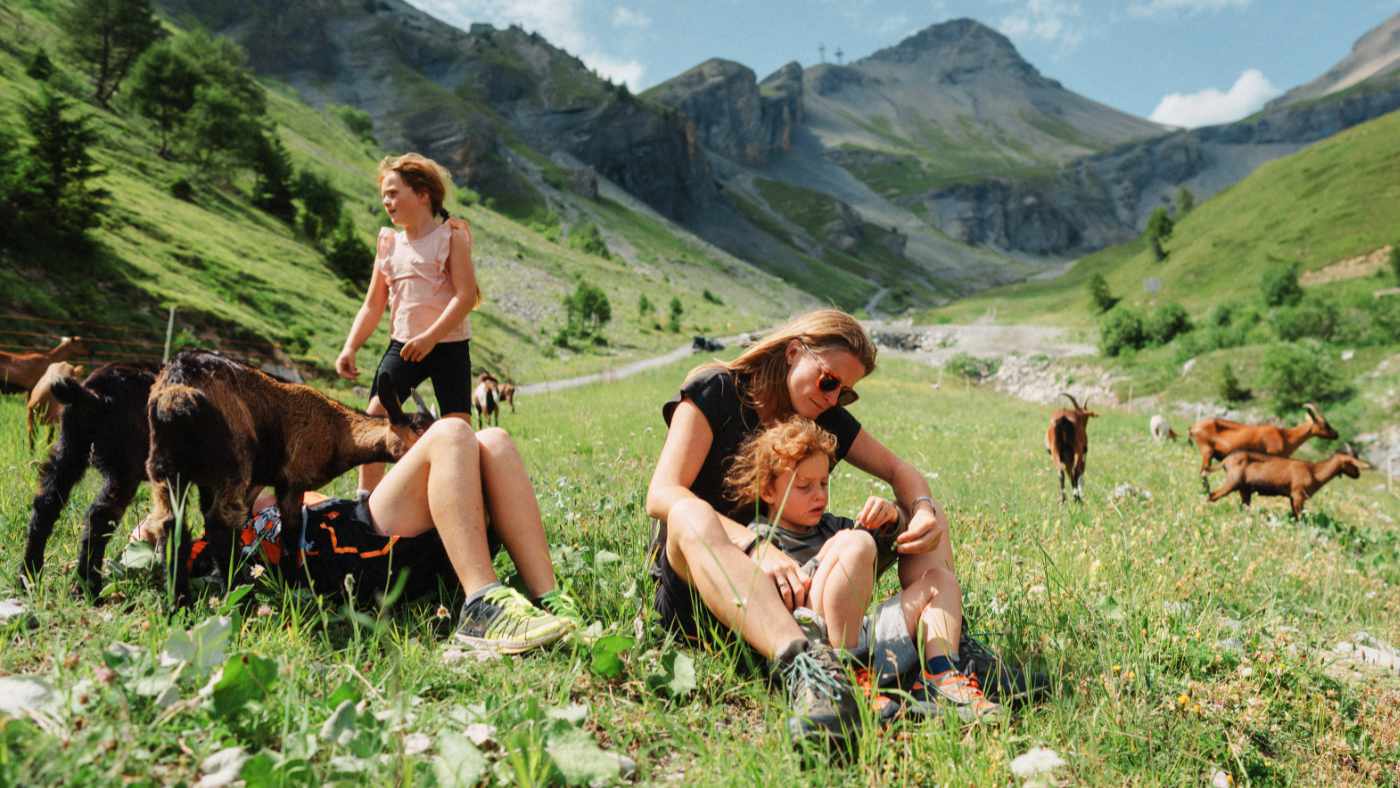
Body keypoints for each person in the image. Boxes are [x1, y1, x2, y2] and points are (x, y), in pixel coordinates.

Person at [645, 309, 1011, 745]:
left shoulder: (823, 415)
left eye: (846, 393)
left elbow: (899, 468)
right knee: (692, 512)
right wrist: (753, 546)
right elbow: (663, 495)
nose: (834, 397)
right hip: (705, 591)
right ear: (795, 352)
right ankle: (810, 671)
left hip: (795, 587)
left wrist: (923, 511)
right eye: (828, 381)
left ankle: (944, 655)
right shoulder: (716, 390)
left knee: (917, 510)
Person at [149, 421, 577, 655]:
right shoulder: (209, 533)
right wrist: (159, 522)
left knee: (494, 440)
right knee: (451, 434)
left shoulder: (274, 481)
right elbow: (155, 542)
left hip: (380, 536)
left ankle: (549, 601)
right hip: (350, 554)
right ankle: (482, 607)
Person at [724, 417, 1000, 722]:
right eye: (804, 486)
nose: (819, 495)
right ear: (768, 491)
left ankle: (941, 675)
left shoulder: (832, 526)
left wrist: (892, 516)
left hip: (863, 640)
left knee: (939, 581)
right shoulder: (762, 539)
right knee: (856, 544)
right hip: (811, 652)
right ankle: (843, 683)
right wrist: (844, 547)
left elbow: (891, 541)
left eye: (824, 483)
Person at [336, 153, 481, 496]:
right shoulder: (389, 243)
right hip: (404, 346)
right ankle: (365, 505)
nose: (386, 201)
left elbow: (466, 296)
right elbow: (373, 304)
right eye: (383, 195)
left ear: (422, 194)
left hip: (448, 347)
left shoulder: (451, 237)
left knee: (456, 429)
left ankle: (461, 498)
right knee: (373, 422)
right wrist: (350, 346)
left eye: (393, 192)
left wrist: (431, 338)